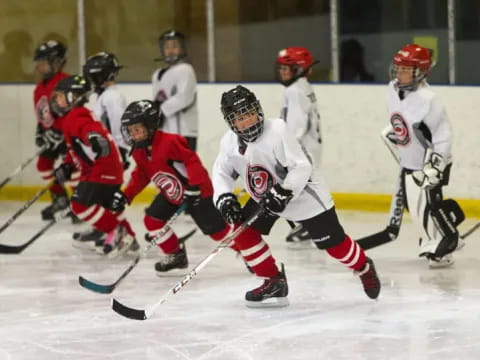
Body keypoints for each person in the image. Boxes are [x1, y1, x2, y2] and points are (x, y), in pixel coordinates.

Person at [212, 85, 381, 305]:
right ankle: (274, 281)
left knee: (335, 246)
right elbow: (221, 172)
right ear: (231, 122)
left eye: (250, 113)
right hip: (266, 197)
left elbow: (301, 167)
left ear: (258, 110)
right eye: (240, 118)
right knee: (242, 232)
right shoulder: (229, 143)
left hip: (304, 196)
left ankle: (363, 266)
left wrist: (284, 191)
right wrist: (224, 197)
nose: (248, 121)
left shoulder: (278, 130)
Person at [111, 100, 287, 307]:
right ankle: (175, 255)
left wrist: (195, 186)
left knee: (219, 232)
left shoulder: (170, 141)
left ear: (150, 126)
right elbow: (141, 174)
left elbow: (191, 161)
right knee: (152, 220)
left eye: (137, 130)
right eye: (131, 131)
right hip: (171, 195)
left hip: (199, 193)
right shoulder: (140, 151)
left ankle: (246, 253)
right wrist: (126, 195)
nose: (133, 135)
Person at [381, 44, 465, 268]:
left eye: (406, 70)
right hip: (410, 160)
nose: (399, 73)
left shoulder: (429, 98)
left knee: (430, 206)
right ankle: (440, 232)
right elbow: (403, 121)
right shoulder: (392, 89)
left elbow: (442, 134)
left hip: (430, 162)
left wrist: (436, 166)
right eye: (398, 68)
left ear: (420, 72)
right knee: (414, 205)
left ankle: (447, 241)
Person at [49, 75, 138, 258]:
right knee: (107, 206)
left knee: (79, 205)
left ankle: (117, 232)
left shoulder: (76, 116)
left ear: (72, 97)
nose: (56, 101)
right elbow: (77, 149)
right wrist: (67, 166)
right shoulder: (74, 116)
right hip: (108, 168)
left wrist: (94, 138)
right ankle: (130, 238)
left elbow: (89, 130)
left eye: (59, 96)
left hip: (103, 169)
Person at [74, 52, 130, 248]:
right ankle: (105, 230)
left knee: (101, 196)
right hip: (104, 157)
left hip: (111, 157)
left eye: (91, 76)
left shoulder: (112, 97)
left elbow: (119, 127)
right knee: (104, 199)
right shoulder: (104, 96)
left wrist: (121, 153)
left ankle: (120, 234)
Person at [276, 47, 322, 248]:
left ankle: (310, 226)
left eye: (289, 68)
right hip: (311, 146)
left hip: (302, 148)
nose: (283, 72)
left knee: (300, 186)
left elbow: (296, 126)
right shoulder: (303, 86)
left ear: (301, 69)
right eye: (283, 68)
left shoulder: (294, 91)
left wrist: (283, 149)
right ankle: (309, 225)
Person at [33, 40, 80, 222]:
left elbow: (72, 109)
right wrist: (40, 131)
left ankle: (79, 203)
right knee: (43, 165)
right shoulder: (38, 88)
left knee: (72, 169)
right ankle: (60, 199)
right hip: (50, 136)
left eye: (44, 62)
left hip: (67, 135)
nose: (40, 66)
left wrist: (61, 132)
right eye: (39, 62)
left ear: (57, 62)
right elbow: (41, 112)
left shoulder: (64, 82)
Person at [151, 30, 198, 151]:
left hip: (184, 131)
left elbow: (184, 97)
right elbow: (158, 99)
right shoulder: (157, 74)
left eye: (174, 46)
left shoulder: (186, 69)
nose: (170, 50)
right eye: (167, 47)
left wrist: (160, 110)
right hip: (164, 132)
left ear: (182, 48)